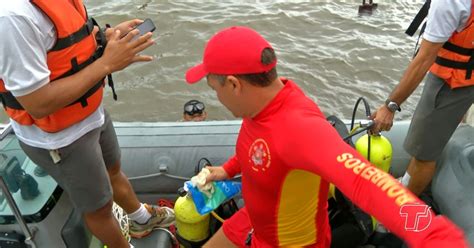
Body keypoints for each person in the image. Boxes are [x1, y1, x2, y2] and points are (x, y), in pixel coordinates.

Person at [184, 26, 469, 247]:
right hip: (255, 223)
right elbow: (257, 149)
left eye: (214, 89)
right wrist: (226, 170)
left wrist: (433, 235)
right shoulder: (260, 105)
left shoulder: (299, 128)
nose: (217, 98)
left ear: (234, 84)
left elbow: (365, 180)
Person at [0, 1, 174, 247]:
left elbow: (64, 49)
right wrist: (107, 64)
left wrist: (104, 40)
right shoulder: (12, 17)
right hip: (62, 139)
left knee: (114, 170)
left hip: (92, 113)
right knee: (99, 209)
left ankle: (141, 218)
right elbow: (37, 103)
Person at [371, 0, 474, 196]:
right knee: (448, 130)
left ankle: (397, 211)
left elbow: (424, 59)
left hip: (453, 81)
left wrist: (390, 106)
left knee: (424, 154)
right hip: (468, 72)